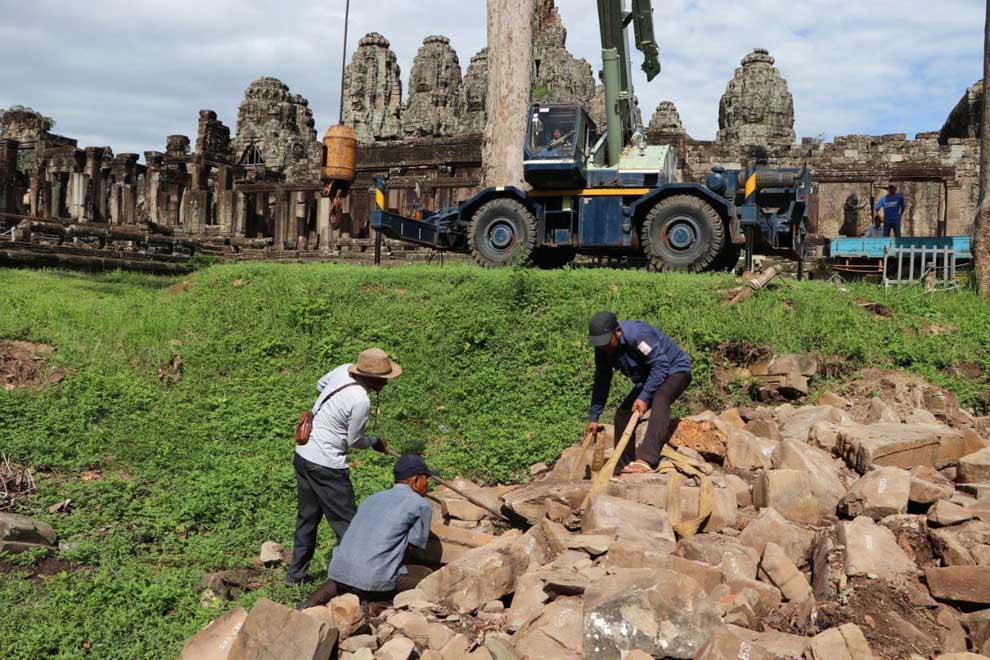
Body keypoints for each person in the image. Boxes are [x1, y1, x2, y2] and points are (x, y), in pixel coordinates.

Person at [286, 348, 402, 585]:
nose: (385, 385)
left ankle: (295, 576)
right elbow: (355, 441)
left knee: (307, 518)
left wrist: (332, 415)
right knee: (348, 524)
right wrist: (374, 443)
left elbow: (321, 385)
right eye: (383, 380)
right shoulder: (360, 400)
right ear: (371, 378)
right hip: (327, 466)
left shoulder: (341, 371)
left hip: (304, 455)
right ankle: (356, 579)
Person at [300, 453, 434, 612]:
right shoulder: (420, 505)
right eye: (427, 479)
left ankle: (309, 603)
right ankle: (376, 605)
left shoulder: (373, 498)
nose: (428, 484)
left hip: (339, 572)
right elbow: (411, 548)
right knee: (426, 577)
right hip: (373, 581)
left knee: (346, 577)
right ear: (415, 480)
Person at [586, 311, 692, 475]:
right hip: (649, 378)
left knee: (660, 398)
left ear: (618, 331)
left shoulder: (638, 334)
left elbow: (661, 365)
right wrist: (594, 416)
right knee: (623, 414)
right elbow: (602, 380)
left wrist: (644, 396)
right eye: (599, 344)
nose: (603, 347)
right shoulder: (603, 349)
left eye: (606, 342)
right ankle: (622, 466)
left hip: (675, 371)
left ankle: (646, 459)